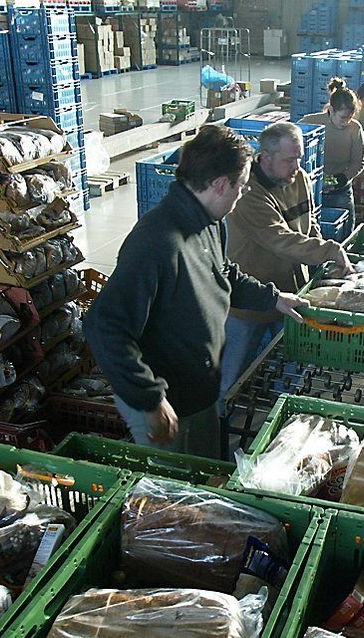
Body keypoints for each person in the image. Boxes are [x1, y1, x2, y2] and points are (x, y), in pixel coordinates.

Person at [84, 125, 306, 458]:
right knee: (173, 491)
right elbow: (104, 326)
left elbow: (224, 274)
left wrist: (274, 298)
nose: (243, 194)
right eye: (241, 186)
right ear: (220, 185)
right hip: (165, 399)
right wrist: (151, 398)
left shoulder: (210, 221)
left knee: (207, 471)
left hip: (199, 388)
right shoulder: (157, 242)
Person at [220, 122, 354, 400]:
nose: (297, 166)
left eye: (300, 157)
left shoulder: (299, 177)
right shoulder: (248, 194)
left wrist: (322, 262)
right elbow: (280, 239)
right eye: (289, 159)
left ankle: (271, 414)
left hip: (289, 293)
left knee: (288, 366)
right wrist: (329, 250)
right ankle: (219, 427)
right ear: (265, 158)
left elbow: (308, 221)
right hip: (250, 301)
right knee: (232, 373)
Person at [300, 78, 364, 217]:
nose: (346, 122)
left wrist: (343, 179)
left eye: (350, 117)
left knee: (345, 229)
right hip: (310, 189)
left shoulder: (354, 129)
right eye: (343, 117)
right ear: (331, 110)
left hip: (340, 191)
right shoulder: (310, 123)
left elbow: (359, 161)